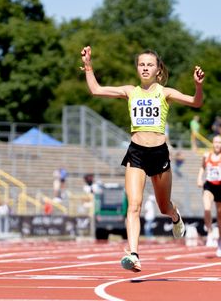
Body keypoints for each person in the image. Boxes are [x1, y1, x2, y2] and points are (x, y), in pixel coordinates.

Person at [81, 45, 204, 272]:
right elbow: (96, 90)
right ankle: (134, 254)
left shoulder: (165, 93)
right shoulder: (130, 91)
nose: (145, 68)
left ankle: (175, 217)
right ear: (137, 68)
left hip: (159, 155)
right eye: (141, 64)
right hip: (136, 152)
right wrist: (88, 66)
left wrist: (198, 86)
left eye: (150, 64)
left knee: (163, 206)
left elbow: (196, 103)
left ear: (158, 70)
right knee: (134, 206)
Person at [196, 135, 221, 257]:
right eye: (215, 142)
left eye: (220, 142)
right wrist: (199, 178)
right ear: (212, 143)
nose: (217, 144)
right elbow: (203, 167)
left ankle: (219, 243)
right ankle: (209, 233)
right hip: (209, 186)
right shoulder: (206, 156)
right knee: (207, 208)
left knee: (220, 216)